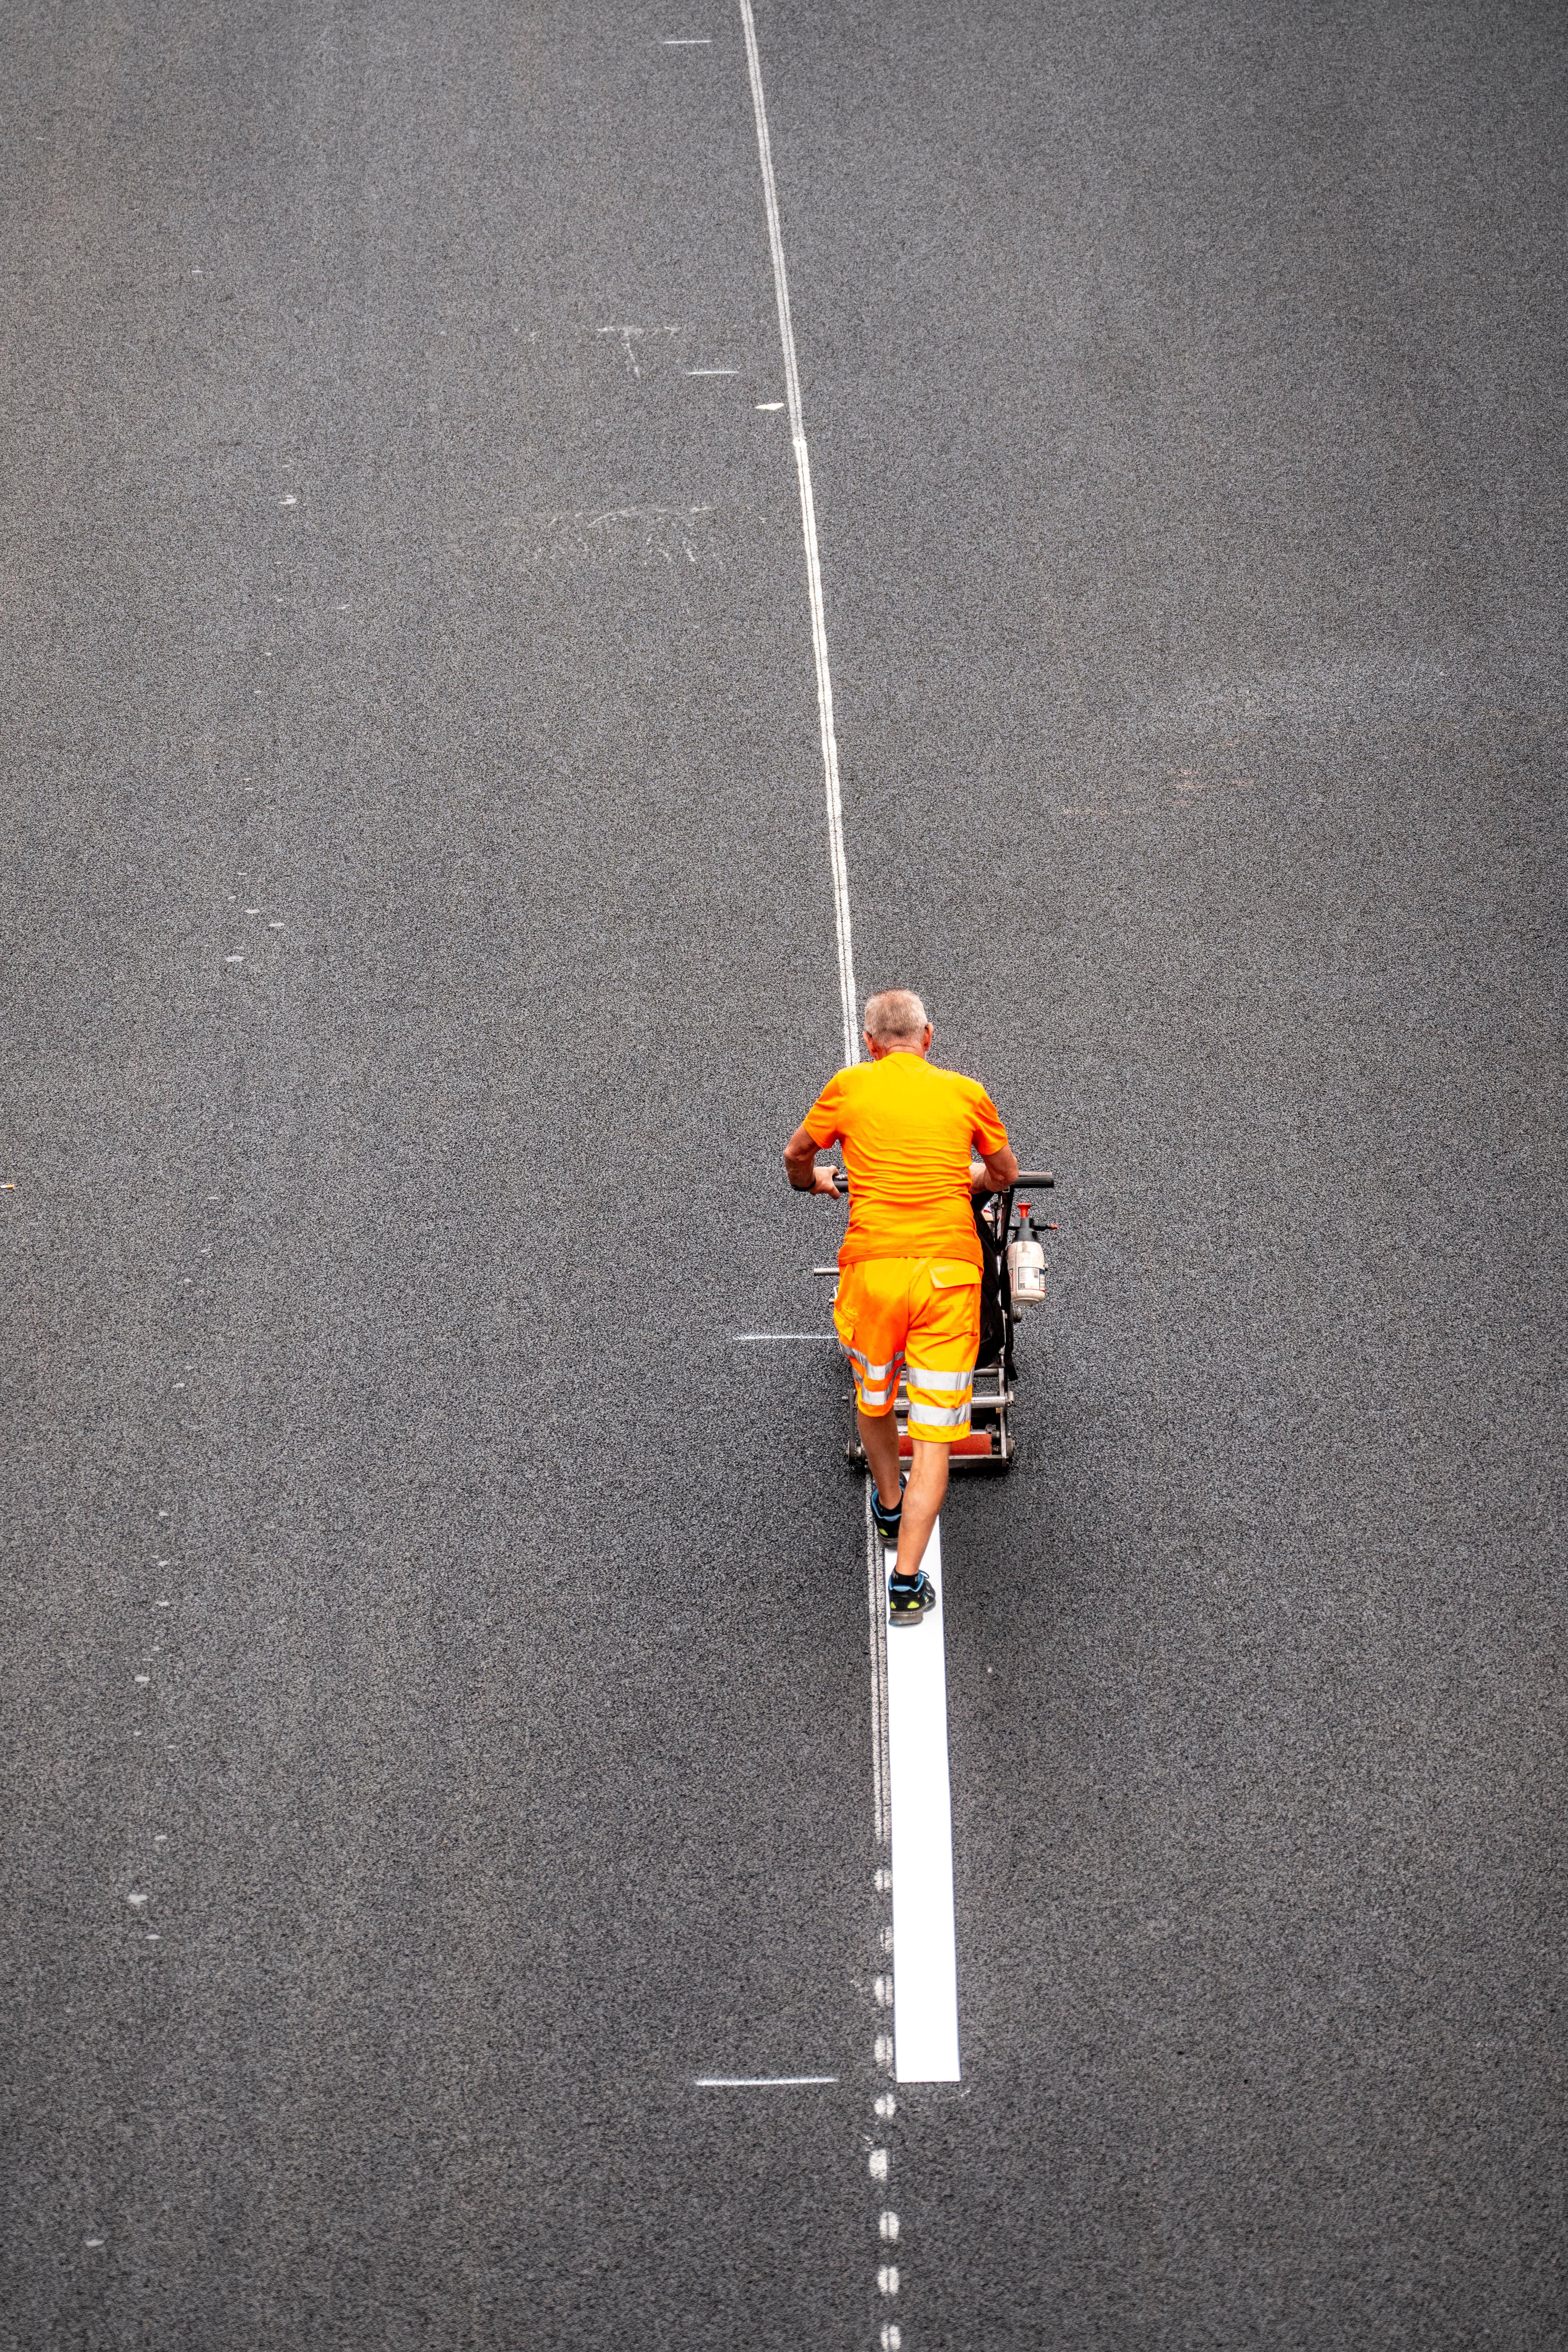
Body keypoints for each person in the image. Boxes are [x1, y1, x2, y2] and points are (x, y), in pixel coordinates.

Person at [784, 990, 1018, 1624]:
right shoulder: (966, 1093)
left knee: (876, 1399)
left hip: (875, 1274)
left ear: (871, 1043)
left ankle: (888, 1501)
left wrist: (817, 1182)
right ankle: (908, 1584)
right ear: (929, 1037)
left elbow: (797, 1156)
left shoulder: (848, 1087)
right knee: (937, 1441)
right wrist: (964, 1177)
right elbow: (1002, 1172)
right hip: (948, 1275)